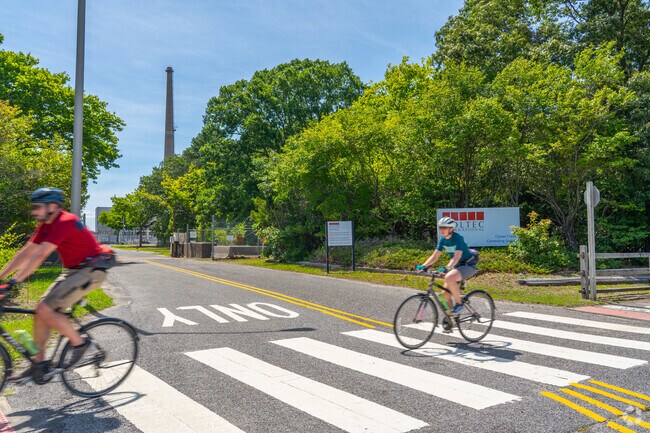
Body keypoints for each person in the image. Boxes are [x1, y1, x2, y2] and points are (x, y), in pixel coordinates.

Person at [0, 187, 108, 380]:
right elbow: (25, 252)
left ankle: (80, 343)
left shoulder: (65, 221)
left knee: (46, 310)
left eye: (37, 207)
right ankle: (39, 363)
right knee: (40, 312)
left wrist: (14, 282)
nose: (34, 211)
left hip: (91, 271)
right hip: (74, 271)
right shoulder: (46, 224)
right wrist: (2, 277)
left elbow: (40, 255)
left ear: (52, 206)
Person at [417, 216, 479, 316]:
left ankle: (459, 304)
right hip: (457, 268)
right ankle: (451, 319)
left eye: (445, 227)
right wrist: (423, 266)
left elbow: (456, 256)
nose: (442, 230)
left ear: (451, 229)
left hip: (468, 266)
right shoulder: (443, 240)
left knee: (449, 277)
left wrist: (447, 267)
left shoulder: (458, 238)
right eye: (440, 227)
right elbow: (435, 256)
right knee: (443, 296)